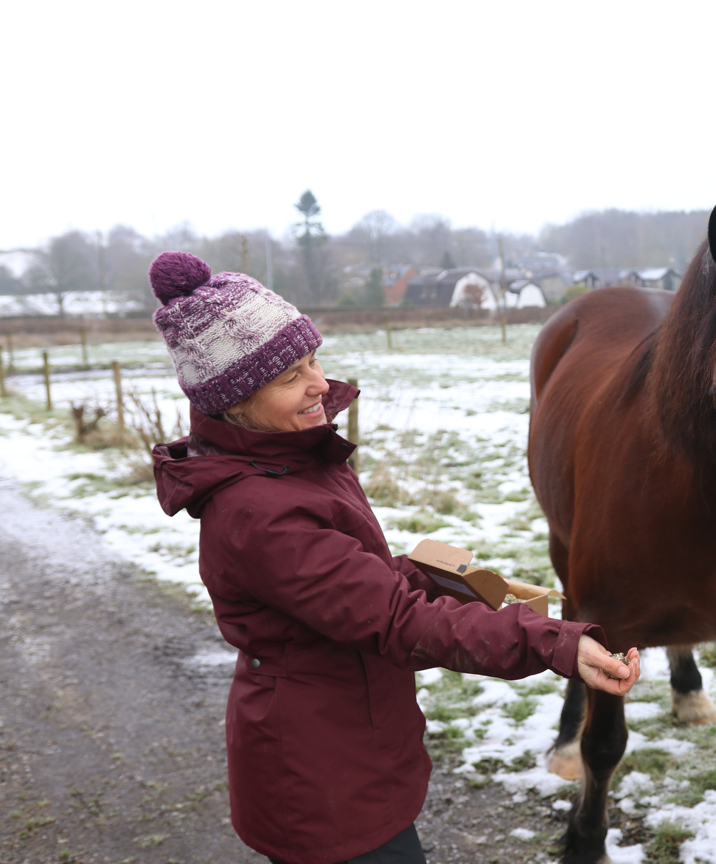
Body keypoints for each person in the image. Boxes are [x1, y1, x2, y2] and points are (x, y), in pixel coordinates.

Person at [147, 251, 641, 864]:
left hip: (348, 743)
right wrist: (554, 643)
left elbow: (361, 580)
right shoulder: (260, 512)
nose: (319, 384)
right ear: (235, 399)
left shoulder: (290, 462)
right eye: (288, 377)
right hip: (318, 773)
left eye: (313, 359)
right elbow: (396, 618)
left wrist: (460, 578)